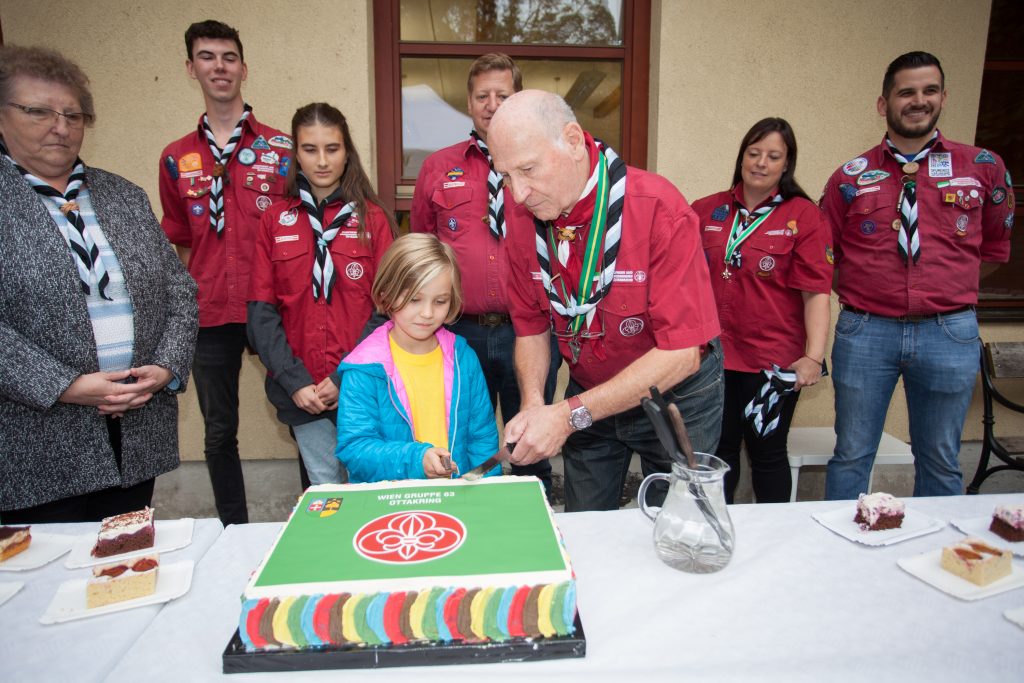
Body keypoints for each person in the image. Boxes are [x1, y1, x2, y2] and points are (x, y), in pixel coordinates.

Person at [489, 90, 724, 512]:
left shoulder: (658, 208)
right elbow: (531, 327)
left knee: (677, 520)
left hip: (675, 397)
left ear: (573, 141)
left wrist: (566, 415)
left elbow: (682, 354)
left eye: (527, 169)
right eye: (506, 175)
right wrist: (533, 404)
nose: (518, 193)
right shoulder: (525, 209)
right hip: (588, 390)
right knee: (585, 523)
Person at [0, 46, 198, 523]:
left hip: (135, 432)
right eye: (38, 111)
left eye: (73, 115)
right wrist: (64, 385)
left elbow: (180, 291)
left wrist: (165, 366)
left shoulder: (123, 195)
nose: (60, 127)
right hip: (34, 441)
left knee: (123, 555)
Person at [820, 51, 1013, 499]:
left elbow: (991, 252)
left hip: (949, 333)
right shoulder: (850, 177)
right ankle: (842, 544)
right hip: (867, 332)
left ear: (944, 97)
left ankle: (939, 544)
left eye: (929, 90)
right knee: (851, 454)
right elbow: (827, 258)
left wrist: (942, 291)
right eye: (906, 92)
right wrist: (874, 293)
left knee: (940, 459)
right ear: (883, 103)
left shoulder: (984, 167)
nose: (918, 100)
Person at [158, 20, 292, 524]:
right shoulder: (177, 158)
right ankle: (234, 530)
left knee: (304, 414)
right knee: (218, 431)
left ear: (244, 68)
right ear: (190, 68)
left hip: (272, 307)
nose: (219, 67)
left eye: (229, 57)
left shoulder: (281, 150)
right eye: (207, 57)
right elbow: (180, 242)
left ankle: (314, 517)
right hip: (210, 311)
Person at [410, 53, 560, 490]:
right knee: (461, 442)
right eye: (482, 96)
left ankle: (533, 512)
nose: (492, 105)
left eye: (503, 95)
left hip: (527, 332)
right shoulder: (438, 167)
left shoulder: (543, 166)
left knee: (529, 441)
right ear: (469, 102)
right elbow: (423, 251)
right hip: (459, 332)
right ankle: (466, 517)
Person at [248, 103, 396, 485]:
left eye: (332, 148)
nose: (323, 161)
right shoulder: (274, 220)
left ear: (347, 152)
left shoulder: (374, 220)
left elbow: (388, 311)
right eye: (310, 149)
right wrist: (294, 381)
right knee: (326, 492)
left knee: (370, 487)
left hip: (362, 385)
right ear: (296, 154)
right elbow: (262, 312)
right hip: (304, 392)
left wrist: (344, 374)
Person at [692, 118, 832, 504]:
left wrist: (812, 358)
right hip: (713, 359)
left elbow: (816, 294)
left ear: (786, 164)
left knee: (766, 452)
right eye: (754, 153)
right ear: (741, 157)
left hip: (773, 362)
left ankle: (774, 533)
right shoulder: (706, 210)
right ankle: (718, 527)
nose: (761, 163)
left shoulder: (804, 216)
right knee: (719, 451)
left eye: (773, 156)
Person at [336, 233, 499, 483]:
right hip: (391, 499)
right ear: (386, 293)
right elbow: (355, 449)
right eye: (414, 299)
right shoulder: (363, 367)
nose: (427, 313)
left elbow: (482, 439)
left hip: (456, 496)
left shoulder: (463, 358)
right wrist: (416, 460)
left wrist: (484, 488)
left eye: (440, 301)